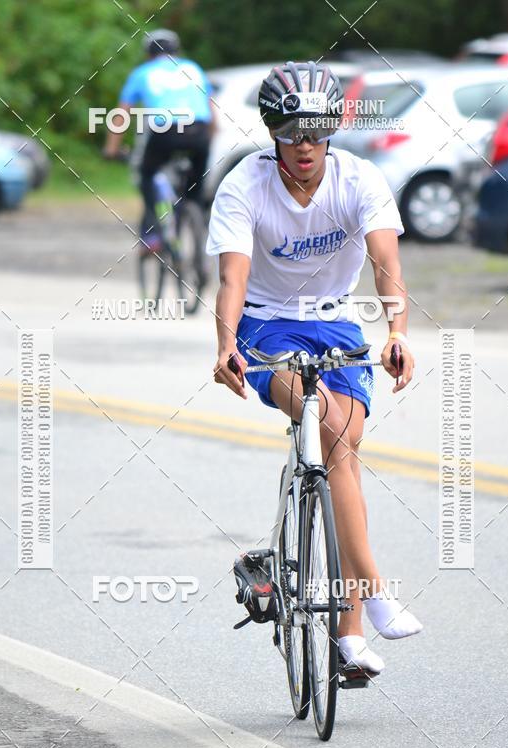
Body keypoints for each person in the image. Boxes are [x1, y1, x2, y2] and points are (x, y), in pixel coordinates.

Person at [207, 60, 422, 676]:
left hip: (336, 323)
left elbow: (387, 269)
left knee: (343, 446)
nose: (305, 145)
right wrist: (227, 345)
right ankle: (374, 595)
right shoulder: (243, 186)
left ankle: (349, 635)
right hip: (266, 324)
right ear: (272, 132)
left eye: (317, 131)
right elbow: (232, 276)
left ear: (331, 131)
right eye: (292, 132)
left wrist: (397, 333)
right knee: (328, 424)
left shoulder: (359, 180)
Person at [104, 28, 214, 254]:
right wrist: (209, 138)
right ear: (177, 50)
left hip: (166, 131)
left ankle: (153, 233)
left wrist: (112, 149)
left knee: (147, 174)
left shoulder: (143, 73)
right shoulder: (193, 69)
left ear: (148, 53)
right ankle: (198, 223)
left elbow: (121, 115)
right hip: (200, 130)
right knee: (195, 192)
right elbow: (212, 111)